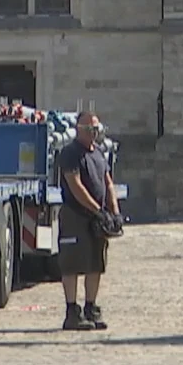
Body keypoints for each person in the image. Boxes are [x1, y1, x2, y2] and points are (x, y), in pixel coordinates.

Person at [55, 112, 120, 330]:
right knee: (72, 264)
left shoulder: (99, 153)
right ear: (79, 129)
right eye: (90, 130)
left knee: (96, 263)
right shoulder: (70, 154)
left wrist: (114, 211)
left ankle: (91, 308)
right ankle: (72, 311)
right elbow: (75, 185)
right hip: (75, 214)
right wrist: (96, 209)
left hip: (97, 218)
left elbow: (107, 182)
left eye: (96, 129)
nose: (94, 134)